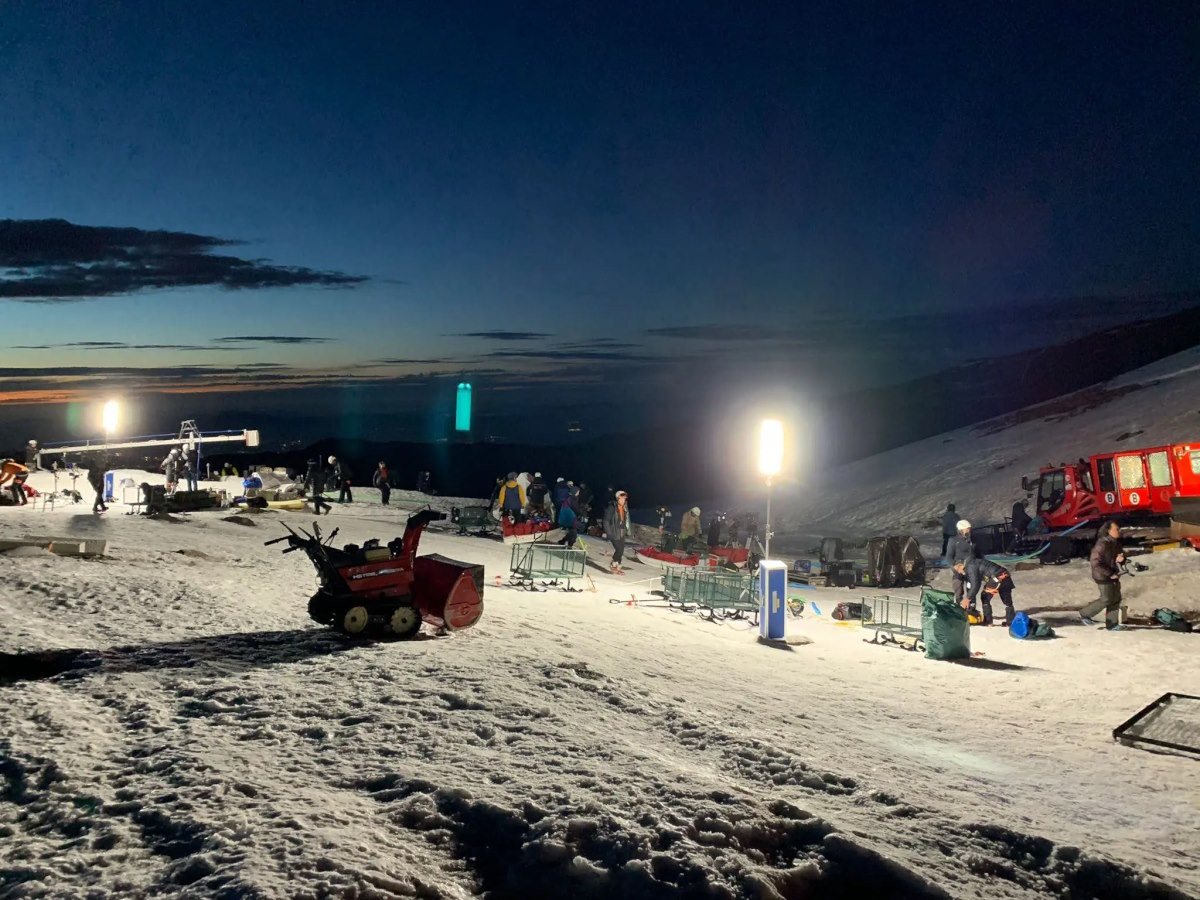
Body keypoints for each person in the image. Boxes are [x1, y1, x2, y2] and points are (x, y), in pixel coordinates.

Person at [1080, 521, 1126, 630]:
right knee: (1107, 599)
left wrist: (1122, 560)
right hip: (1103, 576)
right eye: (1116, 529)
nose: (1118, 531)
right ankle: (1085, 613)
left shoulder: (1115, 543)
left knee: (1116, 598)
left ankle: (1112, 624)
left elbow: (1120, 557)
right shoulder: (1102, 544)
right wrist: (1109, 574)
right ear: (1108, 531)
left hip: (1114, 574)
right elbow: (1095, 563)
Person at [953, 558, 1016, 627]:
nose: (959, 572)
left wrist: (967, 599)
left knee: (985, 597)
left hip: (996, 578)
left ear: (960, 566)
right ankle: (1010, 622)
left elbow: (975, 584)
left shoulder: (970, 567)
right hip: (1005, 575)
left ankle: (988, 622)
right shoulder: (973, 563)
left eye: (957, 570)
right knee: (1007, 601)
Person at [948, 519, 976, 605]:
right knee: (958, 591)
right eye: (967, 529)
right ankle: (959, 609)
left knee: (971, 592)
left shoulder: (973, 539)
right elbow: (949, 556)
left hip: (971, 569)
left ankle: (972, 610)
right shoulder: (953, 540)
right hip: (958, 570)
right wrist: (956, 566)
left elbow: (978, 554)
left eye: (969, 528)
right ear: (961, 530)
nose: (969, 530)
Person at [604, 490, 632, 573]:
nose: (623, 500)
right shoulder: (612, 507)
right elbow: (606, 521)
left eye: (624, 498)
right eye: (622, 498)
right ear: (617, 498)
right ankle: (614, 563)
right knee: (619, 549)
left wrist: (629, 531)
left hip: (622, 531)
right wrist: (609, 533)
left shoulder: (625, 508)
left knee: (621, 550)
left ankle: (618, 564)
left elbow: (627, 521)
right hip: (614, 532)